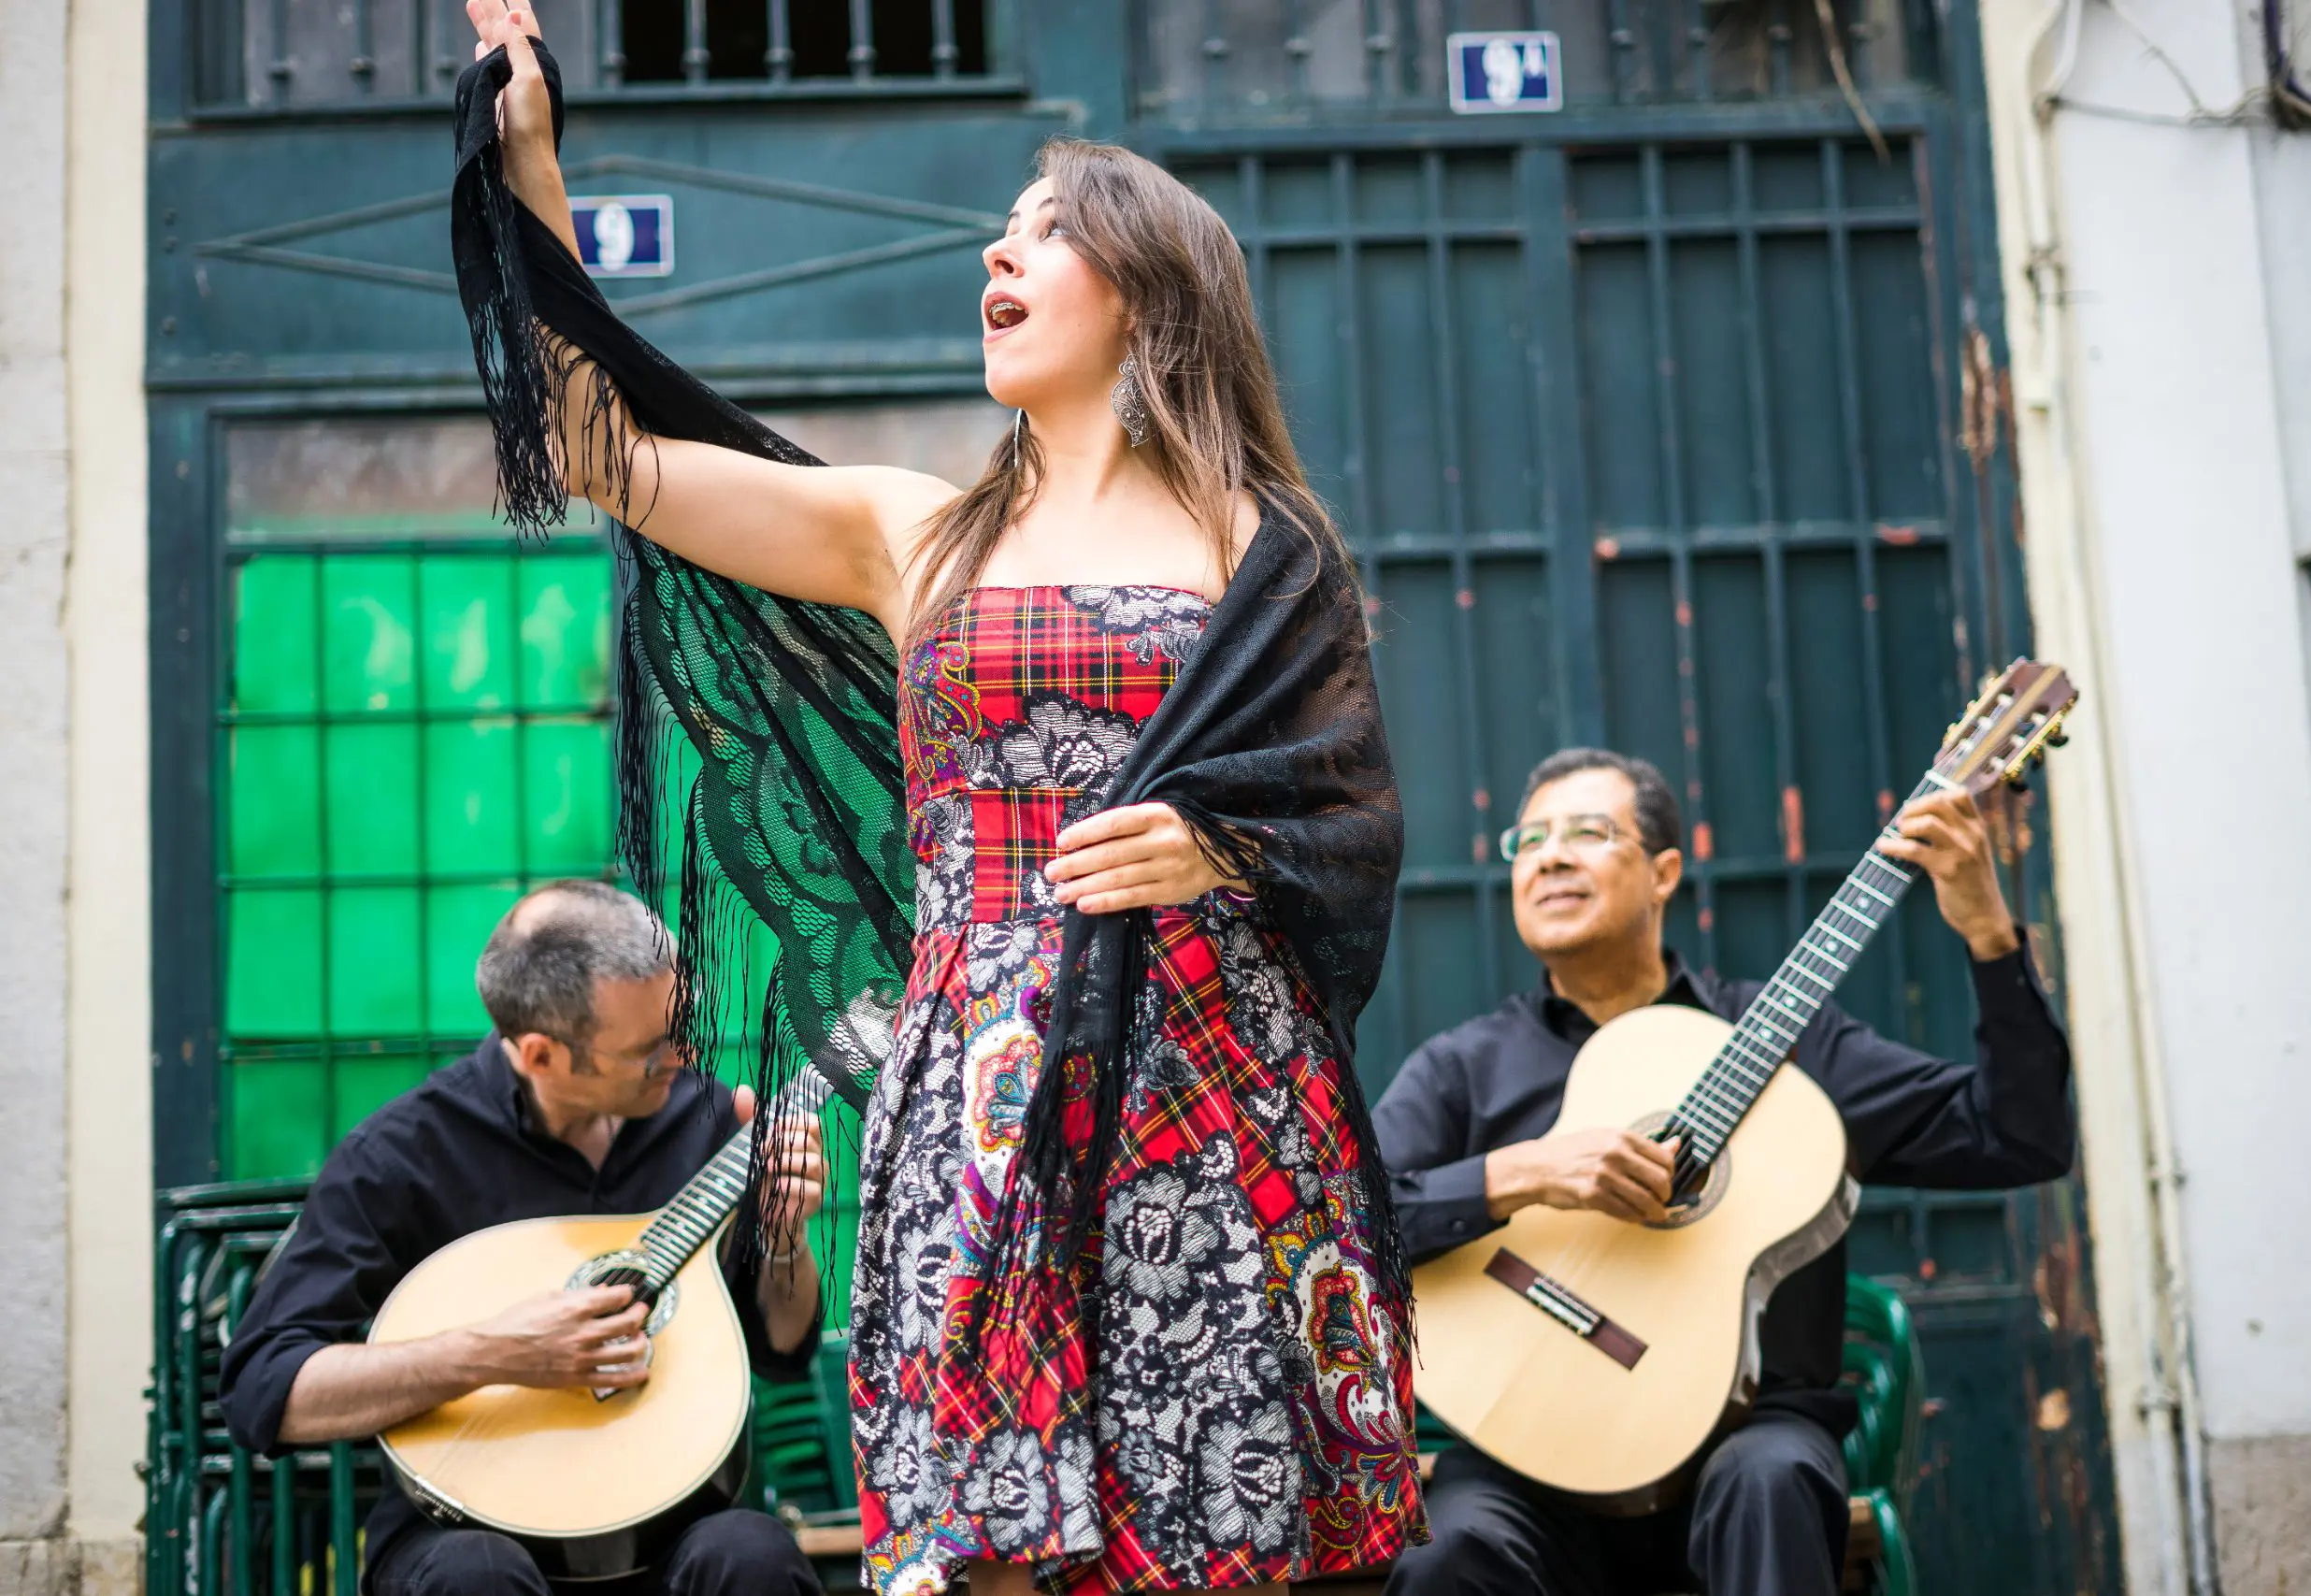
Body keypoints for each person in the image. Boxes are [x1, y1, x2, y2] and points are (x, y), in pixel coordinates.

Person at [449, 7, 1421, 1594]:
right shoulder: (915, 537)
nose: (1001, 247)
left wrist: (1218, 846)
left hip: (1222, 1082)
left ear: (1150, 290)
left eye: (1047, 230)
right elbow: (604, 449)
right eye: (1003, 227)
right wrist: (534, 170)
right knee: (989, 1537)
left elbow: (1351, 821)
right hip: (980, 1078)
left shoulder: (1268, 541)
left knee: (1225, 1528)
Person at [1373, 749, 2077, 1596]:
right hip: (1532, 1455)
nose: (1551, 856)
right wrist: (1519, 1172)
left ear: (1664, 870)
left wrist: (1989, 936)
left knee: (1771, 1482)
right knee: (1445, 1552)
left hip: (1743, 1440)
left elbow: (2019, 1137)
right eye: (1529, 839)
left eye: (1589, 832)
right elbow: (1348, 1226)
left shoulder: (1790, 1044)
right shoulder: (1463, 1068)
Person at [219, 882, 829, 1596]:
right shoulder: (404, 1155)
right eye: (650, 1047)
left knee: (752, 1555)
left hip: (673, 1522)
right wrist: (495, 1353)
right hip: (469, 1530)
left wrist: (785, 1236)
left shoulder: (701, 1117)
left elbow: (781, 1349)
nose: (686, 1052)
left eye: (683, 1020)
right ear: (540, 1055)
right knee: (474, 1579)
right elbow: (266, 1387)